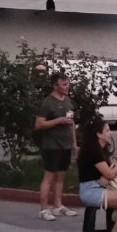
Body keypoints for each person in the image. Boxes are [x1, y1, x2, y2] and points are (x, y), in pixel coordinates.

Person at [34, 72, 77, 221]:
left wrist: (74, 143)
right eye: (64, 84)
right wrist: (58, 120)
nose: (67, 86)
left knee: (61, 176)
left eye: (68, 83)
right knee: (49, 177)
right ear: (55, 86)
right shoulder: (48, 102)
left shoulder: (68, 101)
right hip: (51, 146)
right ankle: (43, 209)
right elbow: (39, 124)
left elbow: (71, 123)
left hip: (66, 145)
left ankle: (58, 206)